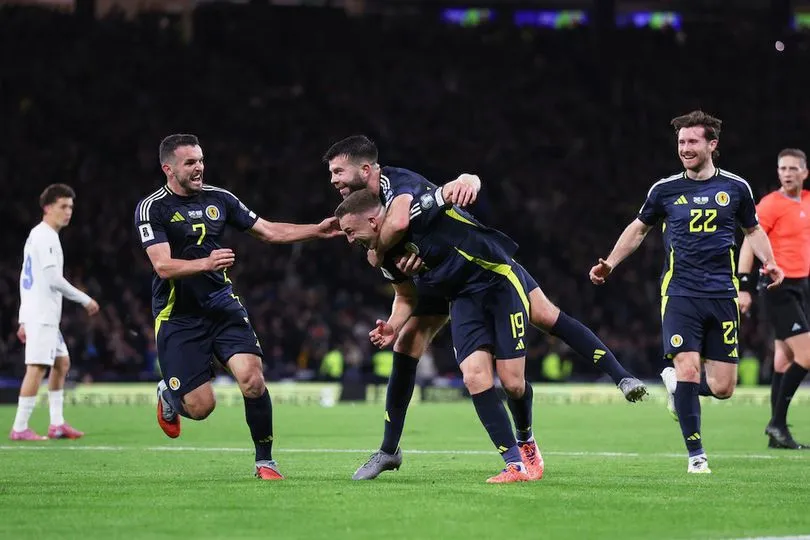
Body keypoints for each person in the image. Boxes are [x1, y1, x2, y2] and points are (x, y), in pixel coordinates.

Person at [325, 135, 647, 480]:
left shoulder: (401, 187)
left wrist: (469, 179)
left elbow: (439, 198)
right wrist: (391, 315)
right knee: (420, 349)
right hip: (448, 285)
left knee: (528, 355)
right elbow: (403, 293)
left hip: (490, 270)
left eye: (338, 172)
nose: (332, 180)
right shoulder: (368, 221)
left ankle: (616, 380)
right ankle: (398, 451)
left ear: (366, 169)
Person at [134, 134, 342, 480]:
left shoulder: (220, 198)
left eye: (201, 160)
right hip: (179, 316)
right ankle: (169, 394)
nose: (199, 167)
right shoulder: (152, 208)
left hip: (221, 305)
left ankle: (265, 462)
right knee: (201, 408)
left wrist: (316, 231)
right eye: (190, 162)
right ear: (168, 168)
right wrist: (206, 263)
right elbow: (163, 266)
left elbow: (269, 231)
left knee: (252, 380)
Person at [589, 110, 785, 473]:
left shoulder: (736, 188)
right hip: (680, 294)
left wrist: (769, 263)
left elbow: (753, 231)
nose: (685, 148)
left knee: (723, 387)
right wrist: (610, 264)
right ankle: (697, 456)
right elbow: (638, 229)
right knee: (689, 369)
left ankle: (676, 387)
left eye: (693, 141)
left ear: (712, 145)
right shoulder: (664, 190)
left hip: (722, 295)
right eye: (681, 142)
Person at [10, 184, 100, 441]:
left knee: (62, 363)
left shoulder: (38, 235)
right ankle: (20, 427)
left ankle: (57, 424)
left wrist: (23, 319)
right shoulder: (46, 236)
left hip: (41, 315)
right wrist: (85, 299)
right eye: (63, 206)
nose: (68, 211)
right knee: (37, 368)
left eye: (71, 207)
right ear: (47, 208)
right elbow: (52, 279)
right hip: (42, 316)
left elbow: (27, 279)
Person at [738, 148, 810, 449]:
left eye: (793, 168)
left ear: (804, 172)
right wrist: (744, 286)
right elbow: (748, 243)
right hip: (776, 287)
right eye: (783, 168)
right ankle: (777, 423)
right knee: (807, 355)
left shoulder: (807, 201)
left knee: (784, 359)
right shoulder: (769, 204)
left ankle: (776, 435)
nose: (787, 173)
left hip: (800, 285)